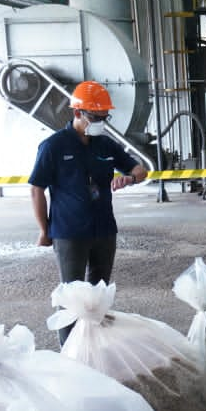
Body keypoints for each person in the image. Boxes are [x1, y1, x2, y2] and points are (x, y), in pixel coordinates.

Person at [29, 80, 148, 339]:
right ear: (77, 113)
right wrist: (43, 229)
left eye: (105, 117)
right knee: (72, 296)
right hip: (69, 231)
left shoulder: (105, 144)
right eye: (96, 116)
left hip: (104, 229)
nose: (101, 121)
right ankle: (70, 353)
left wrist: (130, 178)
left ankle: (94, 347)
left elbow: (140, 169)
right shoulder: (53, 146)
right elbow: (37, 188)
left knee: (99, 295)